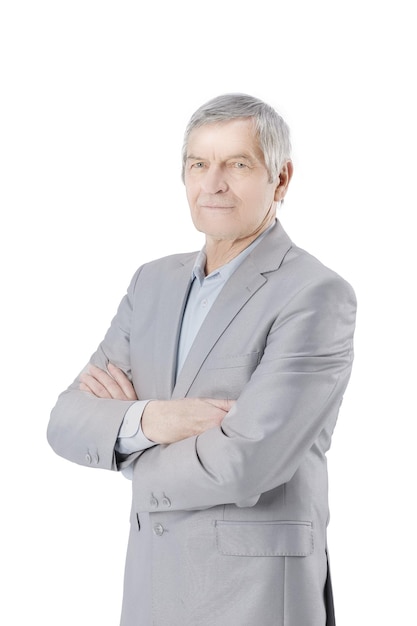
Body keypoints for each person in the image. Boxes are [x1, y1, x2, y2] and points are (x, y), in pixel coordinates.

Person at [47, 93, 356, 626]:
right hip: (150, 592)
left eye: (237, 164)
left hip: (252, 596)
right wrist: (155, 419)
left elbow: (244, 465)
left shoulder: (315, 294)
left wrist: (125, 445)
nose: (213, 182)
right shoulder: (152, 283)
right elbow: (65, 422)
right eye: (198, 164)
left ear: (280, 181)